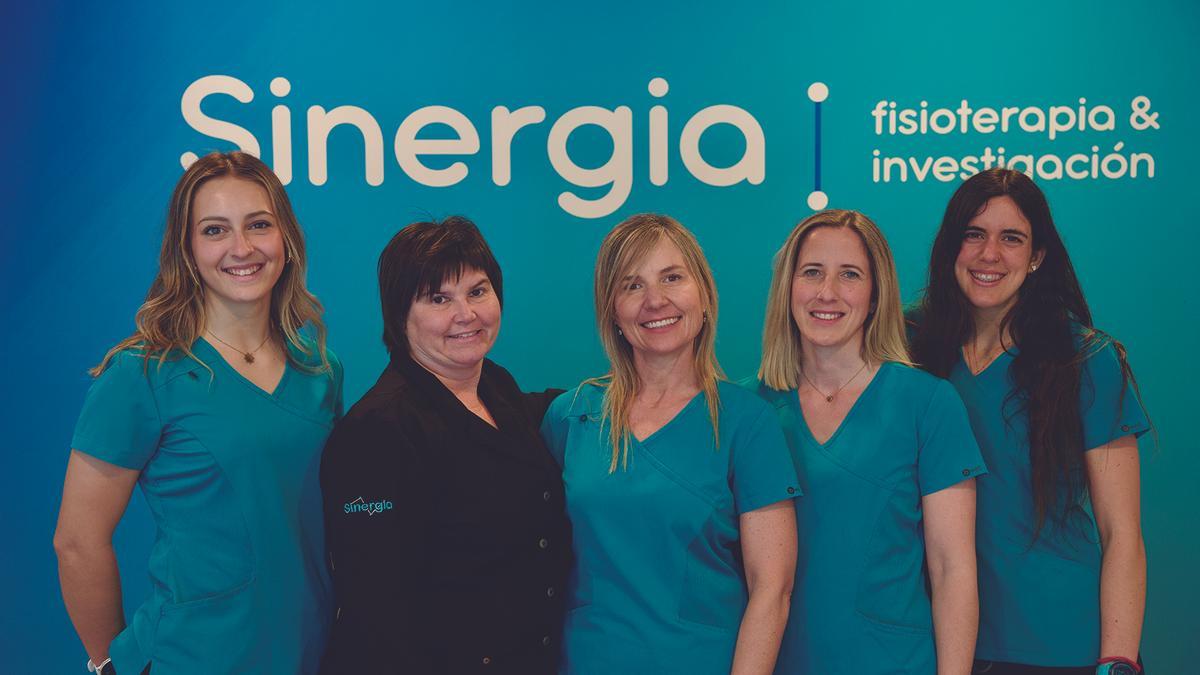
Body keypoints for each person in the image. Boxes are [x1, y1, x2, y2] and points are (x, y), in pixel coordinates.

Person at [54, 151, 342, 675]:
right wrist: (107, 665)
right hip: (190, 657)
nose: (242, 247)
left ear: (286, 239)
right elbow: (77, 542)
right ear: (186, 249)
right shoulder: (141, 374)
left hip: (313, 653)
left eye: (259, 224)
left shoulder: (320, 369)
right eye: (214, 230)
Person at [909, 169, 1150, 675]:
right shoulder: (908, 349)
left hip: (1059, 645)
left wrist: (1118, 661)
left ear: (1037, 255)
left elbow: (1121, 531)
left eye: (1011, 239)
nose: (989, 254)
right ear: (951, 246)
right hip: (936, 641)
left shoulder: (1086, 359)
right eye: (973, 234)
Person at [541, 213, 799, 675]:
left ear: (704, 295)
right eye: (632, 285)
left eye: (672, 278)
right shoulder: (571, 415)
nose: (655, 300)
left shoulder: (747, 422)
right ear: (612, 310)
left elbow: (772, 590)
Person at [319, 216, 570, 674]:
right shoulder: (376, 433)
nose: (466, 314)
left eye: (477, 291)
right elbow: (379, 615)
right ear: (400, 314)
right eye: (439, 299)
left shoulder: (495, 386)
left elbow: (552, 411)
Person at [752, 209, 985, 675]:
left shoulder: (928, 403)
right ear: (787, 287)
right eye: (812, 272)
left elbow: (952, 569)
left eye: (850, 275)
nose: (827, 292)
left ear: (876, 294)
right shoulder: (748, 410)